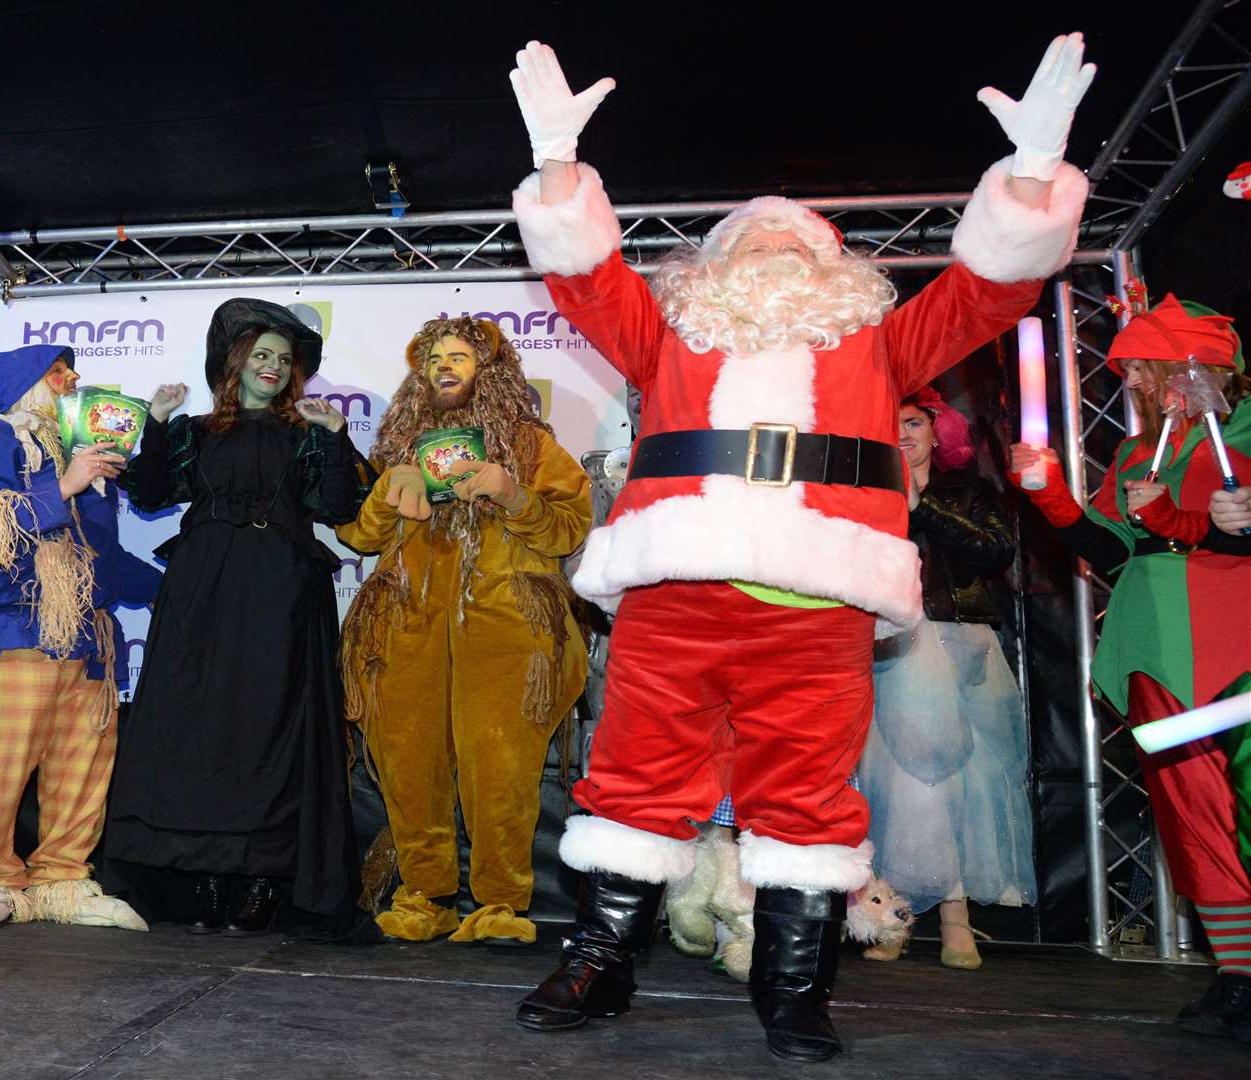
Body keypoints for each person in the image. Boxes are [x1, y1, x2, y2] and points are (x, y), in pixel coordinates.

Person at [504, 36, 1091, 1061]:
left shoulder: (881, 344)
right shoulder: (668, 336)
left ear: (839, 272)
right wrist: (558, 159)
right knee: (634, 781)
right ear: (712, 270)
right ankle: (596, 963)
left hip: (819, 605)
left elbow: (987, 292)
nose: (777, 256)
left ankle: (793, 989)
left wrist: (1032, 177)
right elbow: (586, 275)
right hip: (675, 593)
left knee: (806, 796)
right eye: (752, 244)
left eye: (800, 246)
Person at [1010, 294, 1251, 1041]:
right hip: (1154, 645)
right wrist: (1049, 492)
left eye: (1156, 366)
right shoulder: (1136, 454)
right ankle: (1240, 973)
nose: (1144, 382)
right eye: (1139, 370)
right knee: (1192, 817)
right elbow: (1115, 550)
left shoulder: (1241, 437)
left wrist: (1213, 526)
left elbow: (1222, 539)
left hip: (1237, 638)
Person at [105, 297, 366, 934]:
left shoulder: (308, 434)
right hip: (202, 595)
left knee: (269, 727)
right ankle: (207, 880)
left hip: (280, 593)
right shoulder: (196, 431)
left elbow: (337, 506)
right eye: (261, 355)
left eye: (283, 358)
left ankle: (260, 880)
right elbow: (150, 492)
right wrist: (158, 423)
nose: (272, 366)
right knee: (197, 730)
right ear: (235, 363)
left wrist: (336, 438)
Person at [336, 316, 592, 947]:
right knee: (409, 765)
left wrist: (511, 494)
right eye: (433, 359)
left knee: (500, 767)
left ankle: (502, 902)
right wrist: (386, 491)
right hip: (405, 627)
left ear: (490, 369)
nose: (444, 367)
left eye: (458, 356)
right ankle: (425, 894)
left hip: (505, 629)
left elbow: (570, 530)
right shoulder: (398, 445)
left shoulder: (532, 446)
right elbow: (359, 537)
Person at [0, 344, 148, 935]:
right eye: (57, 372)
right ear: (22, 386)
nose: (72, 378)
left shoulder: (82, 452)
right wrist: (68, 484)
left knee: (84, 773)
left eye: (70, 369)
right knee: (0, 772)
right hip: (13, 633)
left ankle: (64, 880)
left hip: (89, 643)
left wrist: (184, 589)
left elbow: (102, 557)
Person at [858, 390, 1035, 968]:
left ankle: (957, 917)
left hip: (963, 643)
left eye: (913, 422)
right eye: (891, 425)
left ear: (940, 431)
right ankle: (894, 917)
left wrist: (921, 505)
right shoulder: (860, 495)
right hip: (891, 644)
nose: (903, 434)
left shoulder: (969, 492)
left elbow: (994, 551)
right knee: (896, 781)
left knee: (972, 781)